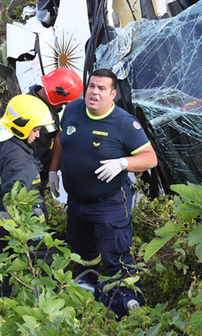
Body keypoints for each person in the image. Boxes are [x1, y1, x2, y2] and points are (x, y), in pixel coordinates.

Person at [49, 69, 158, 316]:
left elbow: (150, 158)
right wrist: (53, 170)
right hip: (76, 203)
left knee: (115, 257)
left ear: (113, 94)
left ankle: (134, 309)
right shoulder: (73, 109)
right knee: (82, 254)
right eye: (91, 86)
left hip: (108, 204)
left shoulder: (124, 124)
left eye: (101, 88)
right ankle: (91, 299)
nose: (94, 93)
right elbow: (60, 138)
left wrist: (123, 163)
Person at [0, 94, 55, 296]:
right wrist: (33, 225)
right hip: (14, 225)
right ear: (22, 126)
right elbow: (14, 196)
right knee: (44, 268)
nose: (38, 135)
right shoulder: (17, 157)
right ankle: (47, 305)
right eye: (35, 129)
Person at [26, 67, 83, 197]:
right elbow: (38, 153)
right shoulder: (37, 114)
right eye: (63, 104)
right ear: (57, 96)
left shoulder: (36, 101)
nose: (62, 107)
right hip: (29, 178)